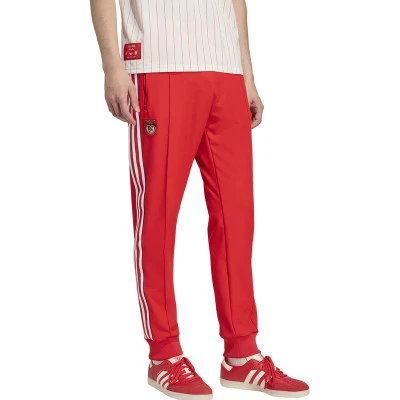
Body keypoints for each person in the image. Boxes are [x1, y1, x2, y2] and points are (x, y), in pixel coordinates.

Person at [90, 0, 309, 398]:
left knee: (236, 218)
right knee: (157, 216)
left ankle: (242, 355)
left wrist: (246, 75)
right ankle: (164, 355)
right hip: (159, 63)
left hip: (225, 72)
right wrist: (112, 66)